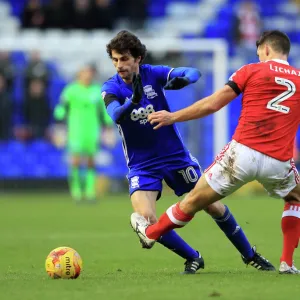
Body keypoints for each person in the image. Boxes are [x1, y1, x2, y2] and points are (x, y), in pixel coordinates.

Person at [102, 30, 274, 274]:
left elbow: (193, 73)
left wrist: (180, 79)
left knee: (213, 206)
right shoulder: (111, 87)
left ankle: (250, 255)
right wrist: (133, 100)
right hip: (142, 165)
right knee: (146, 222)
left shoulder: (153, 73)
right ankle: (193, 257)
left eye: (125, 59)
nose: (120, 65)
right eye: (116, 59)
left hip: (175, 157)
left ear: (138, 58)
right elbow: (115, 115)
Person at [54, 65, 113, 202]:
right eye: (85, 73)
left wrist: (108, 124)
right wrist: (58, 120)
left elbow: (102, 111)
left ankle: (90, 191)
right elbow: (62, 107)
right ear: (79, 75)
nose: (88, 76)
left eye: (89, 73)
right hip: (76, 130)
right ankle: (76, 191)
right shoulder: (71, 90)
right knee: (75, 160)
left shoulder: (96, 90)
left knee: (91, 161)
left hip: (92, 130)